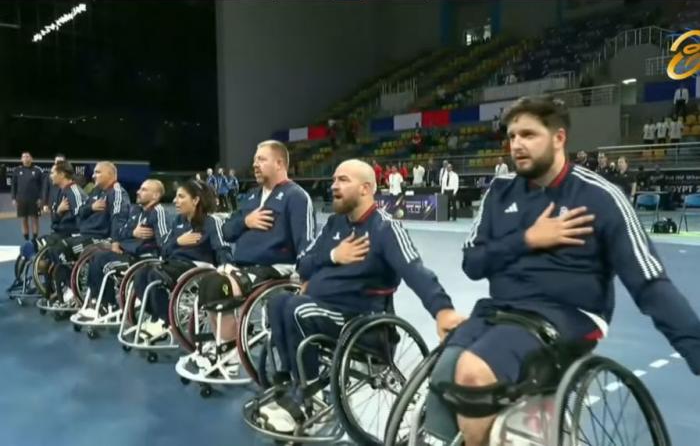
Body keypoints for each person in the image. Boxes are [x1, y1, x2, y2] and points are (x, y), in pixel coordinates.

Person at [423, 95, 700, 445]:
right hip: (502, 313)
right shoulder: (500, 194)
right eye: (511, 137)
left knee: (472, 373)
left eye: (528, 135)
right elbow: (472, 263)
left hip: (570, 316)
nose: (517, 145)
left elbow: (650, 284)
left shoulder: (600, 197)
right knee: (443, 370)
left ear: (559, 138)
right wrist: (527, 239)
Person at [258, 159, 464, 432]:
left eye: (343, 180)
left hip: (362, 320)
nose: (333, 186)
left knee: (297, 309)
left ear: (366, 188)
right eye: (333, 180)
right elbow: (304, 264)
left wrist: (442, 310)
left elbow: (415, 271)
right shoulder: (334, 224)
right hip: (322, 306)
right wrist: (334, 255)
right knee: (276, 301)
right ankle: (290, 381)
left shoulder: (385, 229)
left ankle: (307, 396)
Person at [191, 140, 316, 372]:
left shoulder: (296, 196)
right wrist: (246, 222)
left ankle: (229, 350)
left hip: (276, 268)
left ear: (279, 163)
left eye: (261, 159)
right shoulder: (251, 197)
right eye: (254, 160)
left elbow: (306, 242)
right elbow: (227, 231)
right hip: (243, 266)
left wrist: (306, 277)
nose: (255, 165)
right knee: (208, 284)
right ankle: (223, 342)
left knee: (220, 286)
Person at [133, 180, 232, 340]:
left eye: (180, 197)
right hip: (174, 264)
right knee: (141, 274)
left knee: (155, 276)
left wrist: (226, 269)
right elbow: (164, 248)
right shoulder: (179, 221)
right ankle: (157, 317)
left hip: (198, 268)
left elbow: (222, 248)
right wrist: (178, 241)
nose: (174, 201)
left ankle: (166, 321)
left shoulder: (212, 222)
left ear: (195, 200)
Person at [75, 179, 169, 319]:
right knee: (96, 256)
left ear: (155, 196)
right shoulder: (136, 210)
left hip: (143, 258)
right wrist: (133, 233)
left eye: (143, 190)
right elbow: (120, 233)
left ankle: (105, 305)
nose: (138, 192)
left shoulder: (158, 212)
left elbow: (164, 240)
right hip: (127, 252)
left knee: (104, 263)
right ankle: (100, 302)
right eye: (139, 189)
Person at [44, 161, 131, 305]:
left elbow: (118, 218)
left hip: (102, 237)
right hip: (86, 235)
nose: (93, 175)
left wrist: (115, 242)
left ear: (110, 174)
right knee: (55, 249)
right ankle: (71, 285)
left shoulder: (116, 192)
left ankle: (74, 290)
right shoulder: (97, 191)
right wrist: (91, 207)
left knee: (62, 248)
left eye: (98, 172)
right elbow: (82, 211)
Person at [11, 152, 44, 243]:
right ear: (21, 159)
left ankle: (34, 238)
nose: (26, 158)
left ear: (31, 159)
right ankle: (26, 239)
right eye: (24, 157)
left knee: (34, 219)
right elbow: (14, 185)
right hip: (21, 199)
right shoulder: (17, 170)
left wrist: (41, 198)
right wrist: (13, 198)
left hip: (34, 200)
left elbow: (42, 186)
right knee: (24, 219)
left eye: (27, 156)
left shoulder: (37, 170)